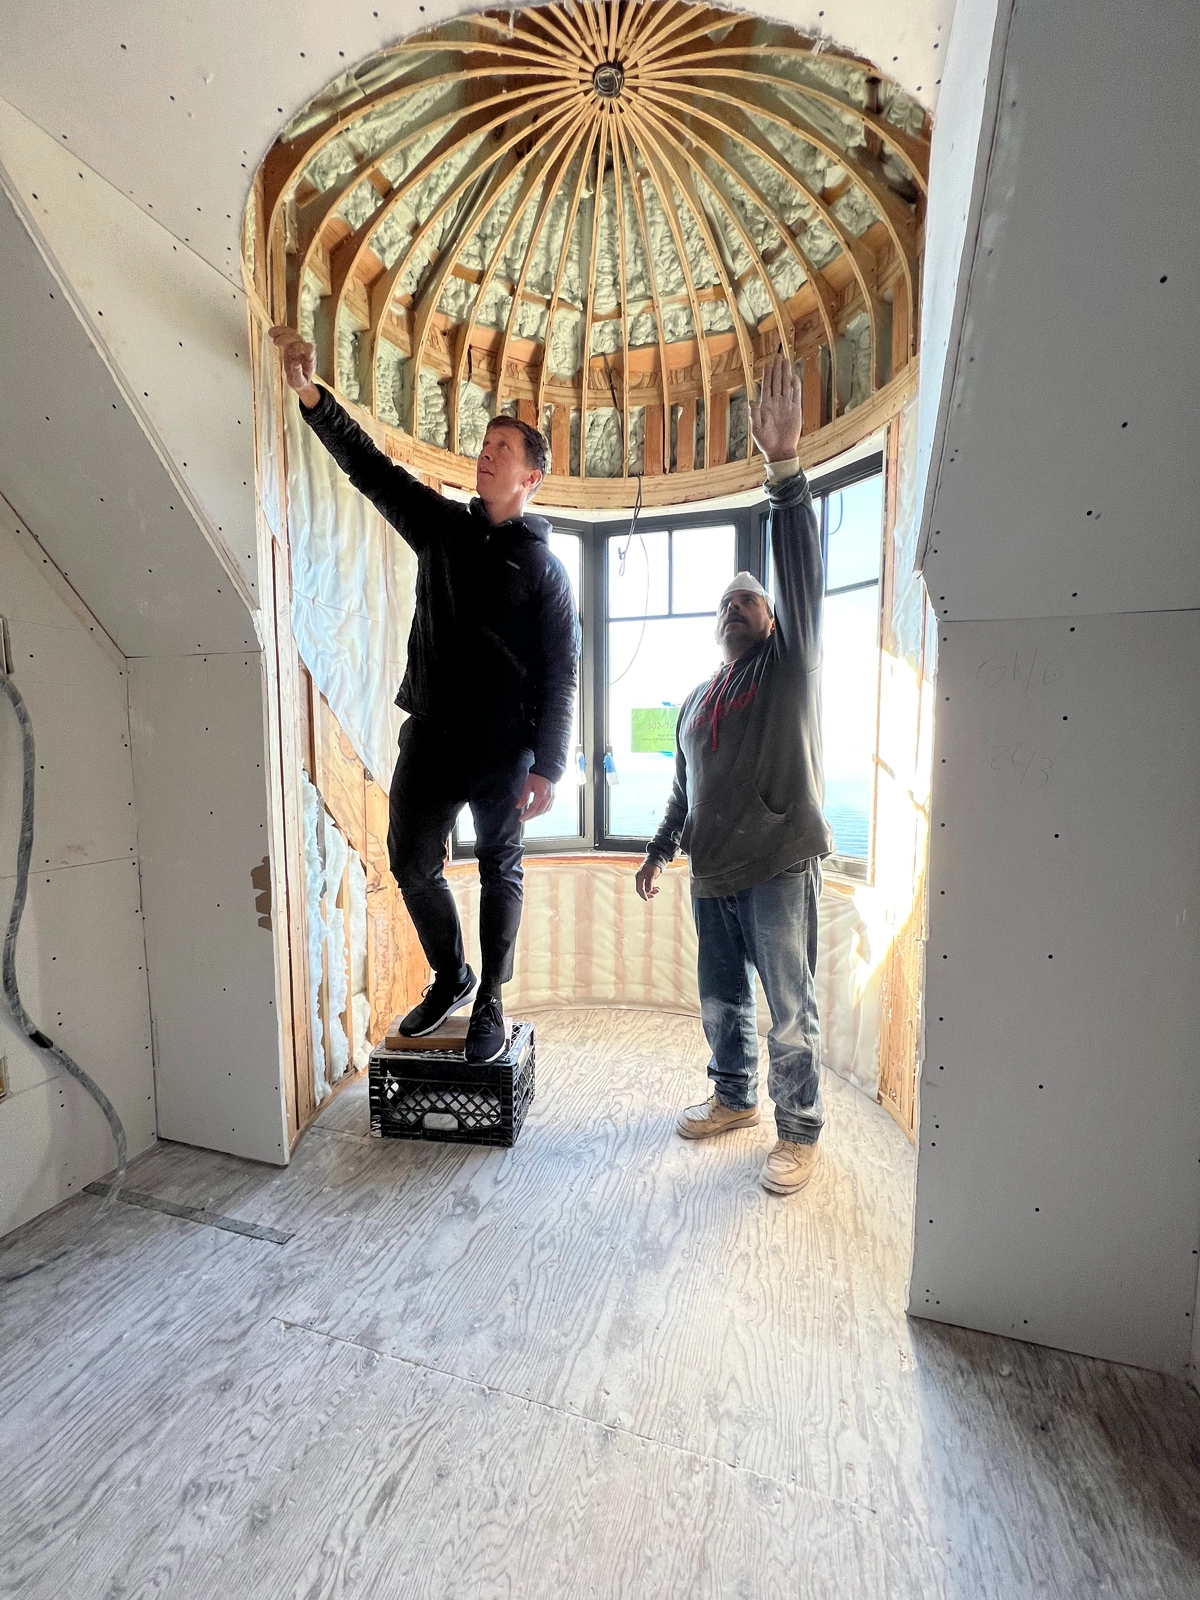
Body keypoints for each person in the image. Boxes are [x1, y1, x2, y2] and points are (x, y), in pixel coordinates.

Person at [269, 326, 579, 1065]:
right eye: (485, 444)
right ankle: (452, 974)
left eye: (502, 447)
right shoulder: (443, 528)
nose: (486, 453)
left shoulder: (546, 572)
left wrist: (549, 766)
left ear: (532, 476)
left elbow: (562, 672)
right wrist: (311, 396)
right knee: (410, 860)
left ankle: (492, 998)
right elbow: (372, 472)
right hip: (432, 735)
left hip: (505, 750)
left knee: (500, 866)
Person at [635, 354, 832, 1195]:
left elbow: (802, 578)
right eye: (725, 603)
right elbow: (684, 789)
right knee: (722, 1003)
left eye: (748, 600)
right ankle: (734, 1099)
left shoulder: (787, 668)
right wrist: (658, 851)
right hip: (711, 875)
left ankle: (800, 1132)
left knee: (789, 1009)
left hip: (778, 866)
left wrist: (783, 469)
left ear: (774, 619)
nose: (733, 607)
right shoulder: (696, 699)